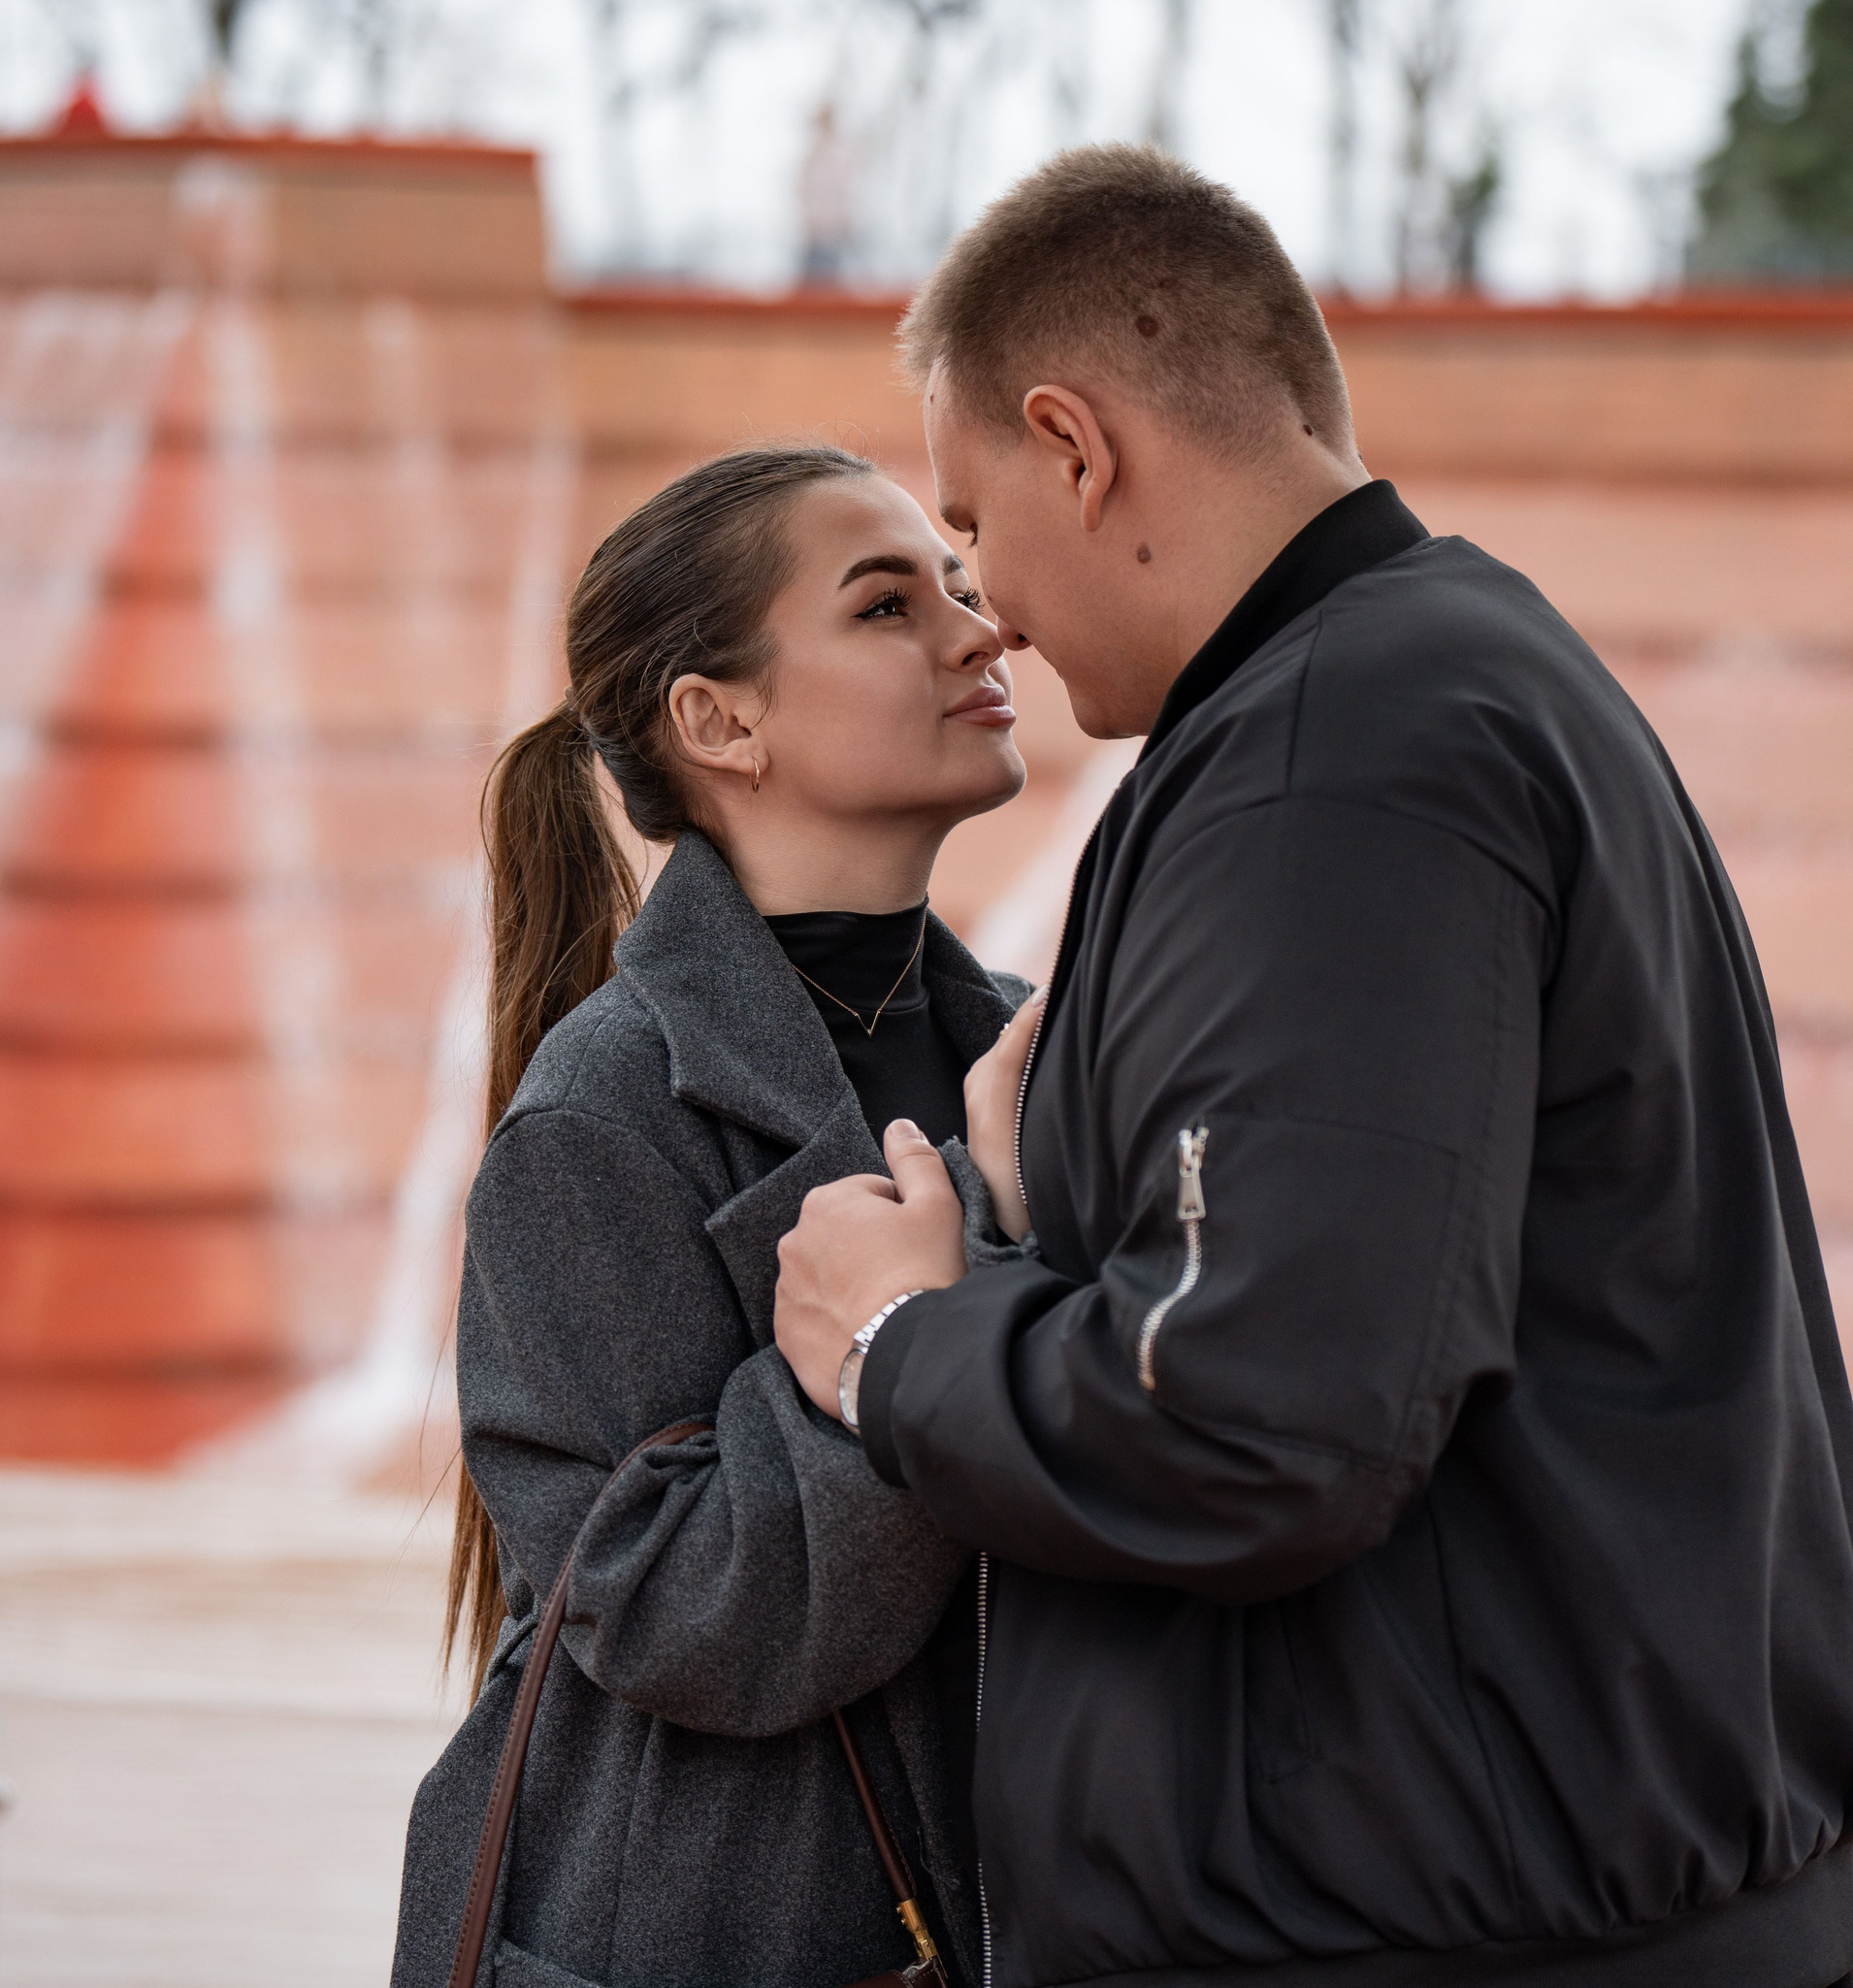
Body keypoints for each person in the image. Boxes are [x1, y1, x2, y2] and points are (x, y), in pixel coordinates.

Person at [772, 146, 1853, 1986]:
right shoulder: (1454, 674)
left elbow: (1255, 1421)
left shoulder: (1332, 759)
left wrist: (906, 1340)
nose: (990, 614)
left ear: (1077, 445)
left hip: (1434, 1929)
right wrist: (1073, 1207)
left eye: (972, 529)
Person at [392, 444, 1032, 1988]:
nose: (978, 629)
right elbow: (691, 1612)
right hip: (726, 1928)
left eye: (956, 585)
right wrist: (943, 1304)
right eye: (888, 605)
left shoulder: (1027, 1051)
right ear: (719, 719)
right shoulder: (598, 1117)